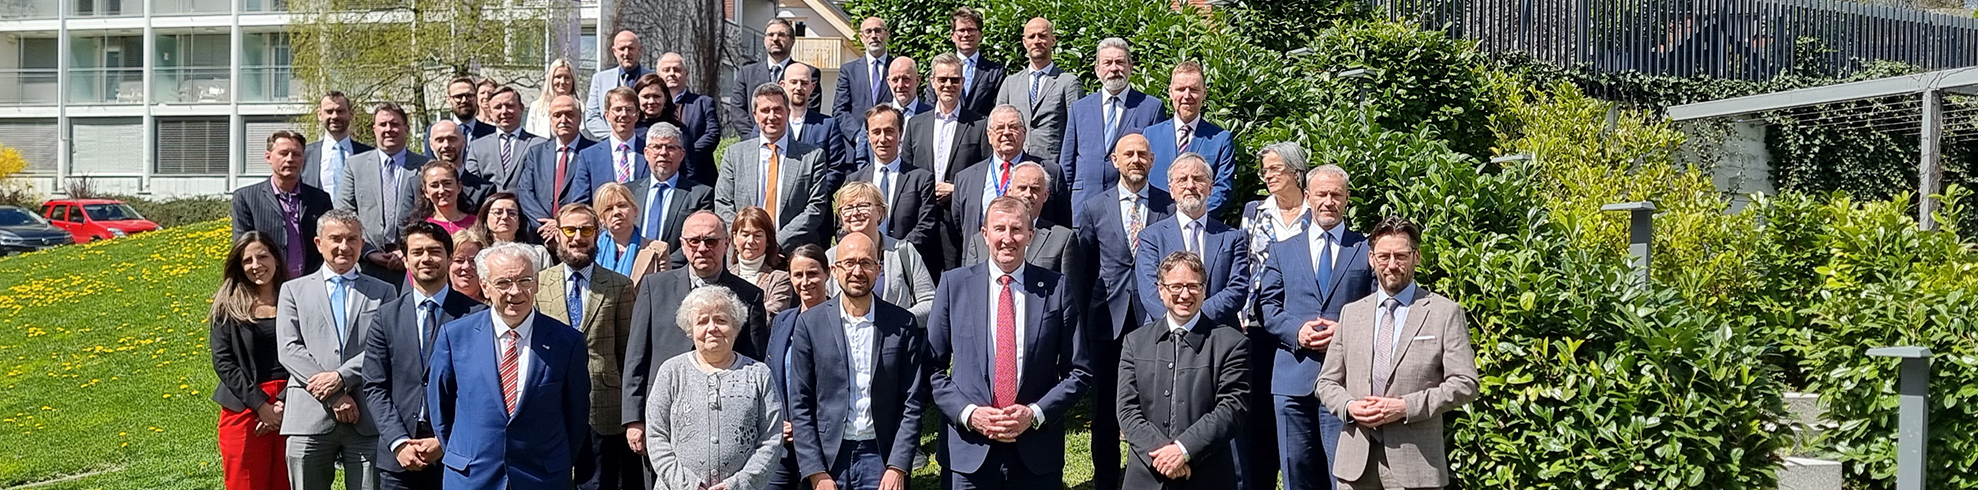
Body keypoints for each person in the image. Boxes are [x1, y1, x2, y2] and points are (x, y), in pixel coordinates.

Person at [926, 196, 1091, 490]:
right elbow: (932, 368)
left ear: (1031, 235)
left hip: (1035, 452)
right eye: (999, 229)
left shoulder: (1056, 288)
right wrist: (970, 414)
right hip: (969, 452)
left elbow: (1079, 371)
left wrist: (1035, 413)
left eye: (1016, 229)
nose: (1007, 238)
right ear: (984, 233)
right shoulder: (954, 286)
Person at [1314, 216, 1479, 490]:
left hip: (1416, 463)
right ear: (1371, 258)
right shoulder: (1352, 313)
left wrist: (1405, 407)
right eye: (1384, 256)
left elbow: (1465, 383)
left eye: (1401, 256)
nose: (1392, 265)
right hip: (1355, 464)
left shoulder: (1444, 313)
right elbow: (1326, 382)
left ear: (1417, 257)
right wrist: (1349, 407)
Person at [623, 211, 772, 486]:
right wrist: (634, 418)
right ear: (682, 243)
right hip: (664, 422)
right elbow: (636, 356)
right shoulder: (655, 287)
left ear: (727, 243)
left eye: (711, 241)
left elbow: (754, 361)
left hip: (728, 429)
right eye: (694, 241)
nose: (702, 248)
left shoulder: (749, 296)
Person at [426, 243, 592, 489]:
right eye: (503, 283)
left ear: (535, 283)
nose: (516, 292)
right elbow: (441, 409)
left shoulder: (566, 342)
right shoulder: (455, 337)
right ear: (485, 285)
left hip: (541, 478)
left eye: (525, 280)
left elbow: (576, 417)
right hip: (473, 478)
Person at [1258, 165, 1375, 490]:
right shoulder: (1282, 251)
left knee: (1344, 474)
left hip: (1345, 381)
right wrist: (1297, 331)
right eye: (1321, 194)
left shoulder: (1364, 250)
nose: (1328, 201)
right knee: (1296, 471)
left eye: (1336, 194)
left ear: (1347, 199)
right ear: (1308, 197)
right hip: (1291, 379)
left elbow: (1379, 306)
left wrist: (1344, 331)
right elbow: (1267, 307)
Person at [1072, 132, 1174, 490]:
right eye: (1127, 154)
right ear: (1114, 160)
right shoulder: (1094, 207)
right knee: (1104, 409)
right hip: (1106, 321)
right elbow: (1082, 270)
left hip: (1154, 320)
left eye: (1142, 154)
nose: (1135, 160)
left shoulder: (1168, 205)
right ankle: (1104, 481)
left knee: (1152, 404)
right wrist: (1084, 320)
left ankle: (1146, 476)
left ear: (1152, 161)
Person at [789, 232, 927, 490]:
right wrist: (816, 471)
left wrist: (897, 466)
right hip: (830, 459)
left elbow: (911, 400)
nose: (857, 271)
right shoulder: (810, 324)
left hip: (881, 457)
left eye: (865, 263)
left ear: (878, 269)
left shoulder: (901, 323)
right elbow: (800, 402)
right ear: (834, 269)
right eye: (849, 263)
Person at [276, 209, 398, 490]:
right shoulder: (293, 291)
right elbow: (290, 348)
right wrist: (334, 394)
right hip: (309, 415)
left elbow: (384, 348)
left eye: (352, 239)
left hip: (366, 415)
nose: (344, 246)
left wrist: (342, 378)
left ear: (361, 242)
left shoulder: (384, 291)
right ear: (319, 243)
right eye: (336, 239)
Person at [359, 222, 485, 490]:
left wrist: (444, 440)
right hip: (398, 460)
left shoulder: (477, 315)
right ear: (405, 259)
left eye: (435, 251)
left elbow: (481, 389)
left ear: (449, 258)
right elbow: (374, 386)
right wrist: (399, 442)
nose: (426, 258)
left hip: (458, 456)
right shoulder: (385, 316)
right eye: (417, 252)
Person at [1117, 251, 1250, 490]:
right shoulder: (1135, 342)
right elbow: (1127, 409)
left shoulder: (1231, 343)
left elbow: (1232, 408)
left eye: (1193, 286)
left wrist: (1184, 450)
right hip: (1146, 475)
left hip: (1207, 475)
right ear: (1160, 290)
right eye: (1176, 286)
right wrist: (1163, 456)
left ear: (1204, 289)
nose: (1185, 294)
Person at [534, 203, 641, 490]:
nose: (578, 236)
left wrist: (632, 412)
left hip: (604, 409)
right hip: (551, 404)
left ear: (597, 234)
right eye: (570, 229)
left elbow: (628, 355)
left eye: (586, 229)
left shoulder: (619, 285)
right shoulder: (538, 284)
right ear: (557, 234)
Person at [643, 286, 784, 490]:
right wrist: (688, 485)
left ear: (735, 326)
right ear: (690, 330)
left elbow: (772, 438)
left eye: (721, 320)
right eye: (702, 321)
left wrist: (737, 485)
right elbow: (656, 436)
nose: (712, 328)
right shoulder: (671, 371)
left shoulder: (758, 374)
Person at [1236, 142, 1311, 490]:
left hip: (1300, 323)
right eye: (1264, 170)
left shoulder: (1316, 211)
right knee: (1259, 412)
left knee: (1298, 412)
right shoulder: (1255, 211)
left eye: (1275, 169)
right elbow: (1244, 263)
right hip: (1256, 323)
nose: (1267, 175)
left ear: (1296, 172)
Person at [210, 232, 294, 490]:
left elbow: (310, 350)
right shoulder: (228, 305)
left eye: (263, 256)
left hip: (292, 403)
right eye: (248, 260)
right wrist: (261, 406)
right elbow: (223, 361)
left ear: (276, 259)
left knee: (287, 482)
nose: (256, 265)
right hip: (244, 408)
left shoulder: (296, 297)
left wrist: (280, 404)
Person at [1134, 153, 1248, 328]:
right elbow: (1150, 291)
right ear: (1171, 190)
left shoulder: (1232, 237)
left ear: (1210, 188)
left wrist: (1197, 319)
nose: (1190, 185)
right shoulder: (1151, 237)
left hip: (1219, 334)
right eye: (1182, 179)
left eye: (1198, 179)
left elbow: (1237, 289)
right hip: (1165, 334)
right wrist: (1177, 322)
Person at [947, 105, 1067, 269]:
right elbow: (957, 231)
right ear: (989, 135)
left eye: (1013, 127)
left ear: (1024, 133)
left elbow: (1062, 223)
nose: (1006, 133)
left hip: (1035, 268)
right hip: (980, 268)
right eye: (999, 128)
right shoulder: (966, 178)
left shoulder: (1049, 172)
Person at [715, 83, 833, 251]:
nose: (772, 116)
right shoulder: (734, 155)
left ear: (788, 113)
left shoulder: (812, 157)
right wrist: (747, 239)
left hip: (792, 251)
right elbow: (722, 203)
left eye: (778, 110)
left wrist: (776, 243)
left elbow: (815, 208)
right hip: (743, 253)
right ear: (755, 115)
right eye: (765, 110)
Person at [1061, 37, 1166, 223]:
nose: (1114, 68)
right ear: (1097, 69)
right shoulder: (1079, 108)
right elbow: (1067, 163)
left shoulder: (1151, 107)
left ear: (1130, 67)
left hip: (1131, 205)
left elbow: (1155, 163)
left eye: (1120, 62)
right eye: (1107, 63)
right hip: (1083, 202)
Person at [338, 102, 427, 287]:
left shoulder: (425, 166)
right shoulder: (355, 166)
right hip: (367, 263)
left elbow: (430, 213)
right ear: (374, 129)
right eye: (383, 125)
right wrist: (367, 251)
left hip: (413, 264)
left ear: (406, 129)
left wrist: (407, 249)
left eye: (395, 124)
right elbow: (344, 213)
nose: (389, 129)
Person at [765, 244, 830, 490]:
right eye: (798, 275)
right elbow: (770, 377)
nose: (805, 282)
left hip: (821, 446)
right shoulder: (783, 320)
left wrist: (803, 425)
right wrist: (777, 422)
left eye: (812, 273)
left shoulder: (840, 320)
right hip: (782, 445)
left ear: (827, 273)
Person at [827, 182, 935, 327]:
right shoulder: (831, 257)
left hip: (896, 341)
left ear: (880, 212)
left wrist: (899, 322)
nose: (855, 212)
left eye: (863, 205)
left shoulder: (903, 252)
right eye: (848, 208)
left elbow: (930, 302)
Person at [235, 130, 335, 279]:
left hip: (310, 284)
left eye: (296, 154)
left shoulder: (319, 199)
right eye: (283, 153)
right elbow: (242, 249)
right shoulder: (246, 198)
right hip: (267, 284)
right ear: (268, 157)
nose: (290, 159)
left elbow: (328, 241)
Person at [850, 104, 938, 267]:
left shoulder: (921, 179)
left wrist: (895, 254)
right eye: (876, 132)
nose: (882, 139)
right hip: (862, 264)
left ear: (900, 134)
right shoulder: (854, 182)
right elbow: (843, 226)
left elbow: (926, 227)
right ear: (868, 136)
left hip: (907, 263)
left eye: (889, 131)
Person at [1144, 61, 1236, 215]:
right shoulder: (1150, 135)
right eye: (1180, 89)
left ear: (1204, 93)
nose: (1187, 96)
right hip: (1157, 225)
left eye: (1193, 89)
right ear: (1171, 92)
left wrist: (1195, 215)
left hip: (1201, 225)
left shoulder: (1221, 139)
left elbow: (1223, 189)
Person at [962, 162, 1077, 277]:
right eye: (1022, 188)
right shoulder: (979, 242)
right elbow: (970, 288)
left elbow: (1070, 292)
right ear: (1009, 191)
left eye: (1035, 189)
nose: (1028, 194)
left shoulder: (1062, 239)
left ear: (1045, 195)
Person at [993, 18, 1079, 166]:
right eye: (1031, 36)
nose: (1037, 41)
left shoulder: (1068, 83)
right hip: (1015, 164)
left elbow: (1075, 131)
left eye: (1042, 36)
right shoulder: (1010, 83)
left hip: (1052, 165)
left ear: (1053, 40)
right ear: (1024, 42)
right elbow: (997, 125)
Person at [628, 122, 715, 263]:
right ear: (646, 153)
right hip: (631, 268)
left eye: (670, 147)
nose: (663, 152)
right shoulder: (628, 192)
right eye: (656, 147)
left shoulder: (700, 195)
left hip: (674, 271)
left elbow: (697, 238)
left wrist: (664, 264)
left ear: (681, 154)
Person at [903, 53, 988, 192]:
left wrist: (956, 189)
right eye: (942, 79)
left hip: (960, 208)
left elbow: (984, 171)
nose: (948, 85)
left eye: (954, 80)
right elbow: (906, 171)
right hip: (922, 209)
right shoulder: (915, 125)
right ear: (932, 81)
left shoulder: (979, 124)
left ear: (962, 82)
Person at [518, 94, 598, 237]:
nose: (563, 120)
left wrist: (563, 225)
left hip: (578, 235)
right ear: (551, 120)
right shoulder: (536, 153)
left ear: (579, 118)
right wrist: (546, 226)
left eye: (569, 114)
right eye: (557, 115)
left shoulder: (594, 152)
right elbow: (525, 192)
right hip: (540, 234)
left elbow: (594, 196)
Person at [730, 18, 821, 136]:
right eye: (771, 35)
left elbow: (809, 111)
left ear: (792, 40)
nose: (775, 39)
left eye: (781, 35)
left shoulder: (807, 73)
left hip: (794, 144)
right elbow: (738, 111)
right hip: (755, 144)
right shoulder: (747, 73)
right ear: (764, 40)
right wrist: (755, 139)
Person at [757, 63, 848, 178]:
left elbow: (837, 169)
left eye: (804, 83)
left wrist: (814, 192)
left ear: (812, 87)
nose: (799, 87)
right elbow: (756, 163)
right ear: (782, 85)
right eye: (794, 82)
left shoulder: (827, 125)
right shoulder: (767, 124)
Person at [655, 52, 723, 183]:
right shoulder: (654, 106)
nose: (671, 73)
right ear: (658, 75)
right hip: (662, 175)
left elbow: (712, 134)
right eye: (666, 70)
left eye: (677, 69)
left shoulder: (703, 103)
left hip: (700, 175)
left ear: (686, 73)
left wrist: (683, 153)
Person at [464, 86, 543, 193]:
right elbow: (472, 184)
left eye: (510, 105)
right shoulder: (477, 147)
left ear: (521, 108)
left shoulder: (540, 144)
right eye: (498, 107)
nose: (504, 111)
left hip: (526, 208)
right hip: (490, 207)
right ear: (490, 113)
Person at [302, 91, 373, 199]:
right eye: (329, 111)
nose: (335, 116)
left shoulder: (369, 155)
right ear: (320, 115)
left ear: (351, 114)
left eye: (340, 111)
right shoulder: (304, 155)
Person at [935, 8, 1005, 116]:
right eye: (961, 30)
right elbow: (931, 105)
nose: (966, 34)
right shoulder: (939, 69)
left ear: (980, 35)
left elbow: (998, 110)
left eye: (971, 30)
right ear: (952, 36)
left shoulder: (995, 72)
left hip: (981, 130)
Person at [834, 17, 893, 141]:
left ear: (886, 34)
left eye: (878, 31)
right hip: (855, 147)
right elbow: (840, 110)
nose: (873, 36)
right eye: (868, 32)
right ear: (861, 37)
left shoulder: (897, 68)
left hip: (891, 143)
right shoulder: (849, 71)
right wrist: (859, 137)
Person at [579, 87, 648, 193]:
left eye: (629, 109)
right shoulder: (589, 156)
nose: (623, 114)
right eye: (618, 109)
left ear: (637, 115)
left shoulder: (650, 152)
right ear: (607, 115)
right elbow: (581, 203)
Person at [730, 206, 795, 316]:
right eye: (745, 235)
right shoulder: (724, 275)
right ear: (735, 237)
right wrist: (759, 310)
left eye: (758, 235)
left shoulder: (780, 280)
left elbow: (771, 318)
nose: (751, 241)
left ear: (768, 240)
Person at [592, 183, 662, 284]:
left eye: (622, 205)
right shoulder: (591, 250)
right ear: (601, 218)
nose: (616, 212)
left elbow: (664, 292)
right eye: (609, 209)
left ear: (635, 210)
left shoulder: (657, 250)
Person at [587, 30, 650, 139]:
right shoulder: (600, 79)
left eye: (631, 48)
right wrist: (615, 138)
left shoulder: (653, 78)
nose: (626, 53)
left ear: (639, 50)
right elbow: (592, 116)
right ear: (614, 51)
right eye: (622, 49)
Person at [469, 191, 554, 267]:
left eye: (512, 213)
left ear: (519, 221)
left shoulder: (538, 253)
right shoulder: (475, 252)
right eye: (498, 212)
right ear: (485, 218)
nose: (505, 217)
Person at [427, 77, 495, 156]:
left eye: (469, 96)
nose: (464, 100)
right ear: (448, 99)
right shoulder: (435, 132)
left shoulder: (492, 133)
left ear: (476, 97)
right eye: (458, 97)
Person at [406, 162, 477, 235]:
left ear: (459, 187)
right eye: (434, 185)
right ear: (425, 192)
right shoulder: (422, 229)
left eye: (447, 183)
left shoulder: (476, 223)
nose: (442, 190)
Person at [526, 58, 582, 138]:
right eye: (558, 77)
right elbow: (530, 138)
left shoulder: (581, 108)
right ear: (551, 79)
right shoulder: (537, 107)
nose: (562, 81)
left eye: (567, 78)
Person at [634, 73, 685, 138]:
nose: (651, 101)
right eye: (646, 97)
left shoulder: (678, 129)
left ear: (665, 98)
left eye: (656, 96)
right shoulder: (629, 130)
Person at [448, 230, 487, 304]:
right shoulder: (438, 305)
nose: (466, 267)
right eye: (459, 260)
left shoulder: (496, 306)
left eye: (473, 261)